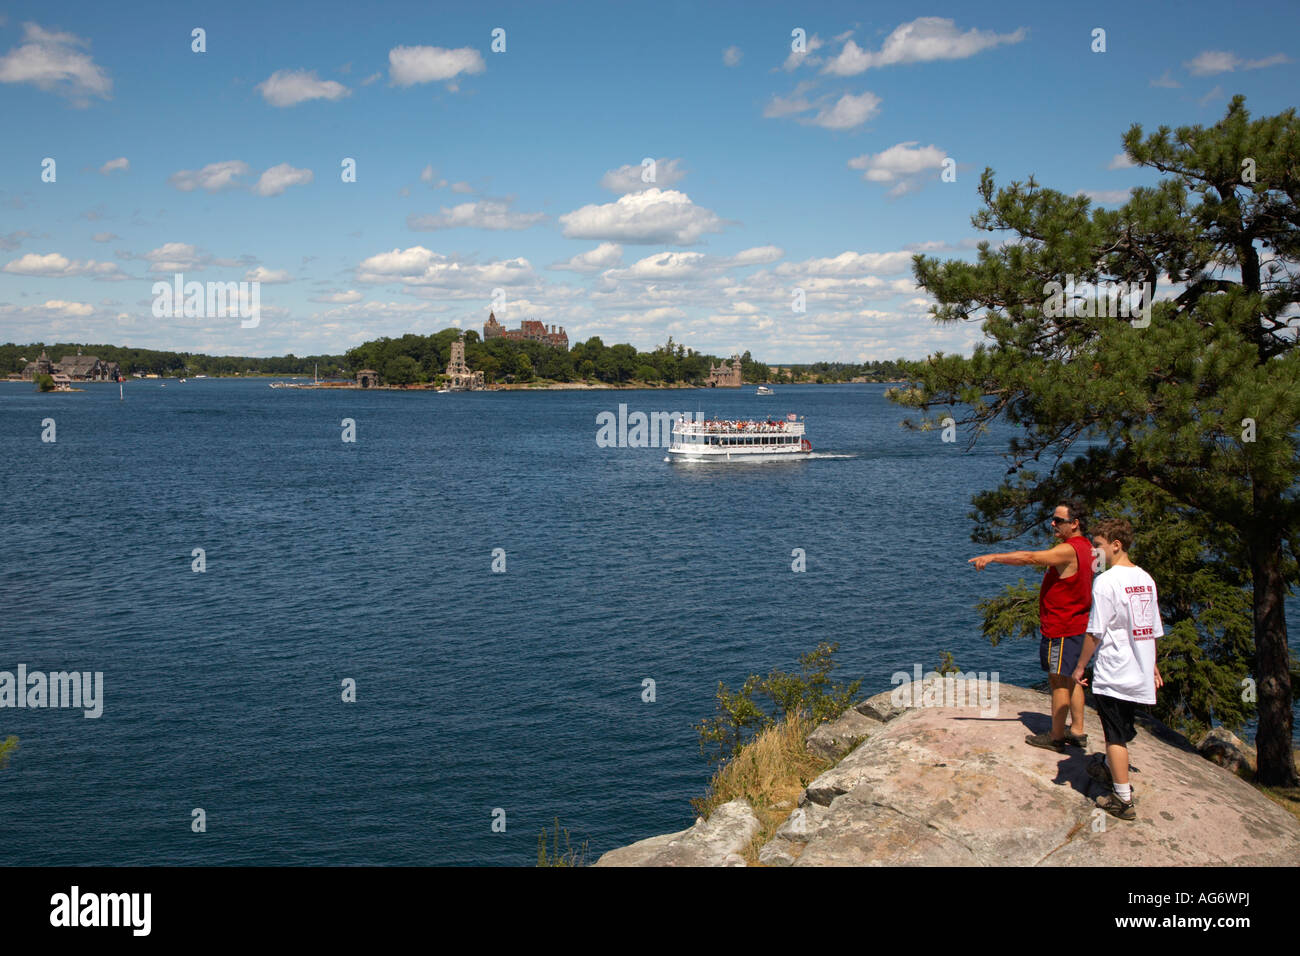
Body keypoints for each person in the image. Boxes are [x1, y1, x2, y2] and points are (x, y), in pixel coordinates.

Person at [969, 499, 1094, 752]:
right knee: (1074, 678)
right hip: (1079, 623)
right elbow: (1095, 578)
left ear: (1075, 524)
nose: (1053, 524)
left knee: (1058, 680)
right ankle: (1077, 730)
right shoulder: (1090, 548)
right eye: (1053, 519)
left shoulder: (1069, 550)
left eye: (1059, 521)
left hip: (1062, 626)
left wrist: (993, 556)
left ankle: (1057, 736)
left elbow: (1030, 557)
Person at [1071, 518, 1164, 821]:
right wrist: (1152, 665)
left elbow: (1095, 631)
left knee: (1114, 735)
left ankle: (1121, 798)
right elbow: (1150, 628)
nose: (1094, 552)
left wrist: (1081, 665)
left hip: (1114, 670)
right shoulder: (1145, 579)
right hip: (1137, 668)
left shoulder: (1107, 582)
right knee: (1123, 727)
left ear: (1116, 545)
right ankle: (1112, 767)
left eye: (1097, 546)